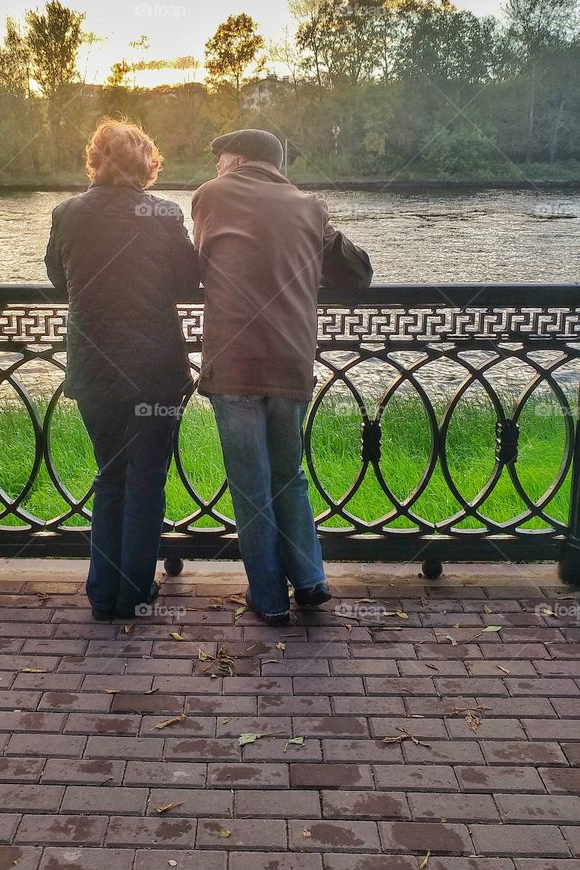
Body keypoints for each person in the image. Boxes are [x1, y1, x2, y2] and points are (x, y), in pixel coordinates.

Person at [191, 128, 373, 626]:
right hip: (291, 361)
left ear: (236, 160)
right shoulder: (309, 206)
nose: (217, 167)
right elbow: (357, 274)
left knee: (250, 486)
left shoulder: (210, 196)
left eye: (220, 158)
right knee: (289, 476)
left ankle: (269, 600)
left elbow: (198, 265)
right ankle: (311, 581)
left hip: (234, 364)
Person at [44, 118, 199, 621]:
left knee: (110, 475)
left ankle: (102, 594)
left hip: (93, 370)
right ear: (146, 166)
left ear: (95, 160)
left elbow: (56, 277)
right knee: (147, 480)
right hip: (154, 370)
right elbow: (187, 280)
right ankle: (134, 592)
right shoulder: (162, 213)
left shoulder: (67, 213)